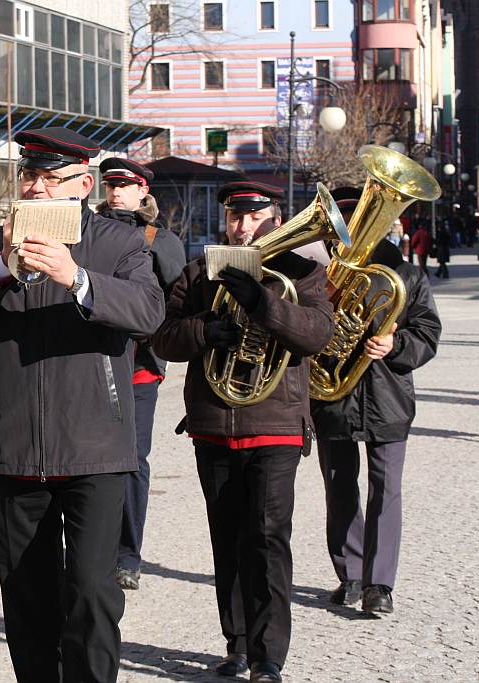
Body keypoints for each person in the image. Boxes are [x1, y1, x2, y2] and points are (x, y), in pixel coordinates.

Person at [0, 127, 165, 683]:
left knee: (91, 593)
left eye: (49, 177)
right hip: (16, 446)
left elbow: (149, 313)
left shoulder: (120, 243)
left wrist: (76, 278)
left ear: (83, 185)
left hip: (95, 447)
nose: (35, 187)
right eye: (29, 175)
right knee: (27, 598)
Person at [153, 181, 334, 683]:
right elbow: (161, 335)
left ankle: (268, 656)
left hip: (274, 426)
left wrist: (262, 303)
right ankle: (235, 645)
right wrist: (203, 330)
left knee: (268, 539)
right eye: (235, 216)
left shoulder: (303, 270)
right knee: (227, 539)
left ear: (275, 216)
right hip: (213, 425)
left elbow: (318, 333)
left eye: (254, 216)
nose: (243, 226)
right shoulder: (200, 272)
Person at [312, 227, 441, 616]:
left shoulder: (407, 276)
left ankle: (379, 584)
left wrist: (395, 345)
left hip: (388, 398)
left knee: (386, 490)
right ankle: (350, 574)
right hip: (332, 395)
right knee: (339, 487)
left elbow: (427, 332)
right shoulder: (320, 272)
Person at [95, 157, 186, 590]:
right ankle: (93, 545)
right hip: (90, 363)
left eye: (124, 185)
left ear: (142, 191)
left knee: (132, 459)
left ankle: (127, 553)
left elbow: (176, 295)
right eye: (110, 184)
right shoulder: (87, 229)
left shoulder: (159, 238)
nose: (115, 192)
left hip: (138, 366)